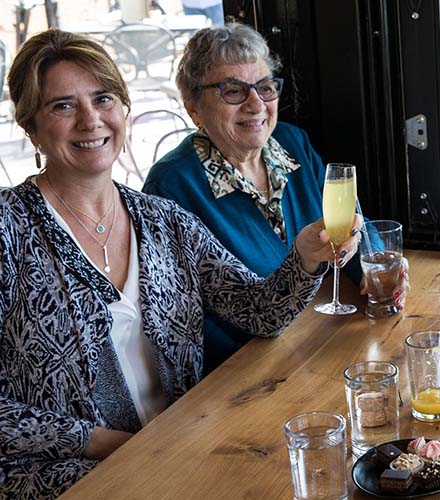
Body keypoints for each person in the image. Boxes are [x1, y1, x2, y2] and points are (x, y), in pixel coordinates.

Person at [0, 30, 356, 500]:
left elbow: (258, 311)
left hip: (184, 451)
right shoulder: (8, 228)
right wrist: (108, 444)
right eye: (63, 106)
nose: (91, 121)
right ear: (32, 127)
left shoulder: (161, 219)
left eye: (103, 99)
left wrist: (305, 259)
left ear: (122, 109)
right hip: (62, 475)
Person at [143, 24, 403, 374]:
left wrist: (374, 270)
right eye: (233, 91)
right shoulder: (171, 185)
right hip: (245, 371)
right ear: (194, 109)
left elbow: (351, 223)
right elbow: (186, 320)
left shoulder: (293, 143)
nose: (256, 104)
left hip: (321, 342)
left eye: (265, 88)